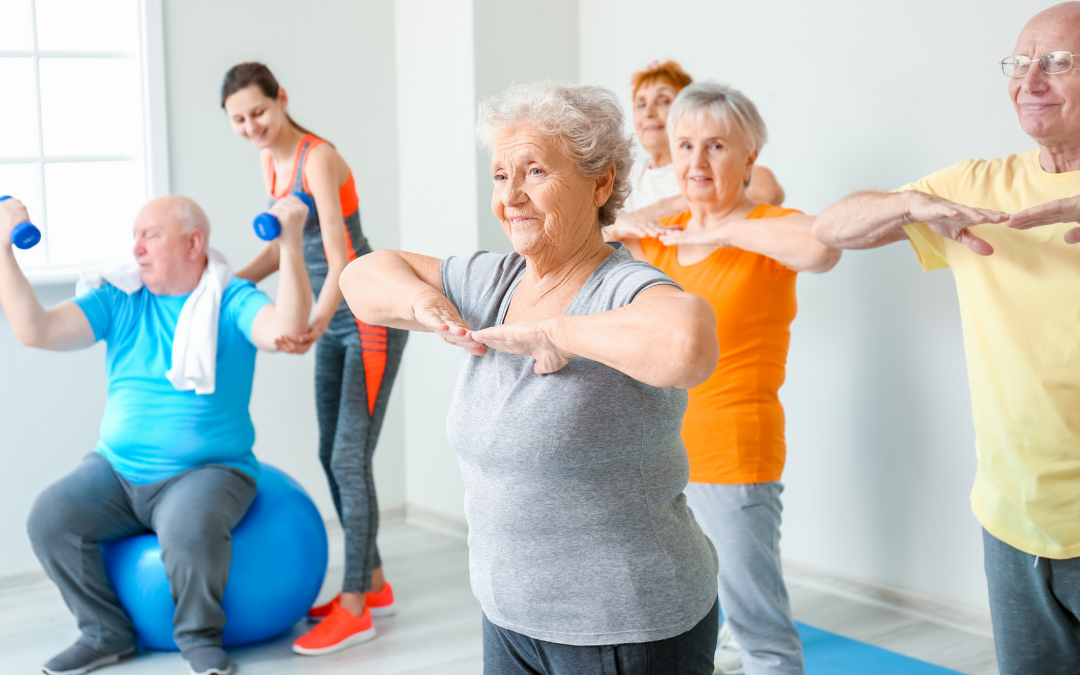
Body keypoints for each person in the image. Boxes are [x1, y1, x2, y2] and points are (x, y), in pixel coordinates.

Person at [340, 81, 721, 675]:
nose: (510, 197)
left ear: (601, 183)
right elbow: (362, 277)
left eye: (535, 171)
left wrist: (560, 332)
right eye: (499, 176)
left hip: (627, 629)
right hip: (510, 619)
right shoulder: (494, 281)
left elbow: (689, 344)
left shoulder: (622, 288)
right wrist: (423, 302)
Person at [812, 4, 1080, 673]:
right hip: (1013, 518)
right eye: (1019, 64)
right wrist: (909, 205)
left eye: (1058, 62)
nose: (1031, 81)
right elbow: (831, 228)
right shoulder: (976, 186)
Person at [1, 194, 312, 675]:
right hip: (116, 470)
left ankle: (198, 637)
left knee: (188, 529)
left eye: (150, 235)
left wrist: (291, 243)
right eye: (135, 237)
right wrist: (2, 250)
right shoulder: (120, 299)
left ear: (193, 242)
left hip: (209, 471)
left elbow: (287, 330)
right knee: (50, 516)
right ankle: (105, 633)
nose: (137, 248)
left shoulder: (231, 299)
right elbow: (35, 329)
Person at [607, 81, 840, 675]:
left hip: (733, 454)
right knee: (669, 624)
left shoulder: (769, 228)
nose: (697, 161)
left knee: (757, 630)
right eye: (685, 146)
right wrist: (639, 221)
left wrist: (722, 229)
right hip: (655, 457)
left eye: (715, 146)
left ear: (749, 159)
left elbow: (821, 248)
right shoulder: (660, 238)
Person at [220, 62, 408, 656]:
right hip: (333, 316)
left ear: (281, 99)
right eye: (239, 119)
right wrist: (220, 283)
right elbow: (286, 249)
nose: (252, 125)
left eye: (259, 111)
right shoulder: (269, 160)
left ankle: (355, 608)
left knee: (350, 459)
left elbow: (341, 253)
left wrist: (318, 319)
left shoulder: (316, 157)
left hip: (368, 311)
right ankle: (372, 582)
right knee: (331, 452)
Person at [613, 60, 785, 243]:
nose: (649, 112)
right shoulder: (626, 176)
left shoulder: (705, 169)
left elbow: (768, 190)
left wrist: (651, 214)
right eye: (641, 104)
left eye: (663, 101)